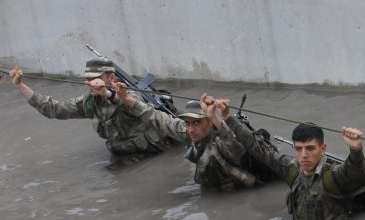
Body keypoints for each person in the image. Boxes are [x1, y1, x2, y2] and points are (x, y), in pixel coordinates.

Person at [117, 88, 281, 192]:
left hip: (245, 191)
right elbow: (159, 119)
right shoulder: (190, 132)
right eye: (188, 123)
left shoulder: (226, 138)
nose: (191, 129)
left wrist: (216, 117)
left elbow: (235, 146)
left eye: (197, 122)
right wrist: (128, 100)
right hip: (217, 191)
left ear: (209, 121)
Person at [8, 60, 178, 156]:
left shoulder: (128, 93)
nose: (89, 82)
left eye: (95, 78)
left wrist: (108, 93)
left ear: (111, 77)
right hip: (124, 155)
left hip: (152, 152)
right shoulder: (90, 101)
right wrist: (21, 85)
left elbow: (130, 100)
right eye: (87, 78)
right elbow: (54, 109)